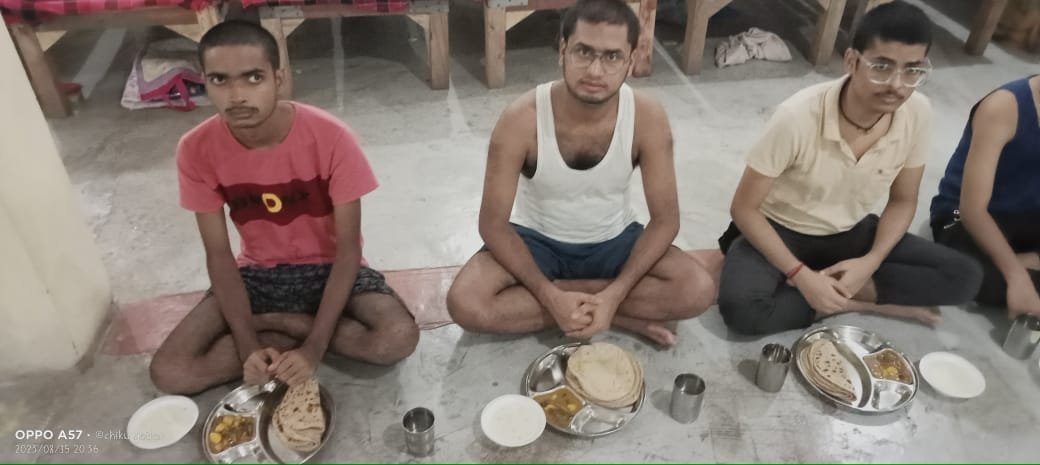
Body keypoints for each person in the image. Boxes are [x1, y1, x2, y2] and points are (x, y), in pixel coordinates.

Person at [150, 21, 418, 395]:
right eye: (220, 80)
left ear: (278, 78)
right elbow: (219, 256)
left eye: (253, 78)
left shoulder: (331, 137)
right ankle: (282, 333)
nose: (237, 96)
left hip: (331, 269)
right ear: (205, 82)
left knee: (397, 337)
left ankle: (281, 326)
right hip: (257, 275)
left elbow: (347, 251)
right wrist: (247, 347)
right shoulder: (196, 149)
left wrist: (314, 347)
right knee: (170, 372)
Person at [446, 0, 716, 346]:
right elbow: (492, 224)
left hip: (615, 239)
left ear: (631, 60)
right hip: (536, 240)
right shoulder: (520, 119)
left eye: (612, 56)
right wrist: (548, 294)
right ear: (563, 51)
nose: (595, 71)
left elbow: (666, 220)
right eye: (583, 52)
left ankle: (592, 308)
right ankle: (616, 315)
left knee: (697, 290)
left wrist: (616, 293)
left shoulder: (647, 117)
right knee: (466, 303)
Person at [716, 1, 982, 335]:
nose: (897, 85)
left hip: (850, 231)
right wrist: (800, 275)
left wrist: (870, 262)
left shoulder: (917, 112)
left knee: (965, 277)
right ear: (852, 61)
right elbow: (744, 208)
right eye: (882, 67)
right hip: (782, 228)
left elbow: (903, 200)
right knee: (742, 311)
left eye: (912, 71)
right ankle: (851, 301)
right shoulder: (796, 117)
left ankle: (832, 291)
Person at [930, 76, 1040, 319]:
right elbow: (972, 210)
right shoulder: (1004, 106)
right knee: (966, 276)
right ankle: (1015, 265)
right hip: (963, 214)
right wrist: (1016, 275)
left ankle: (1021, 261)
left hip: (1028, 214)